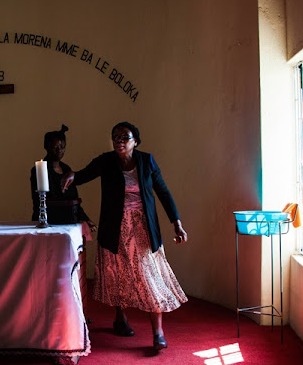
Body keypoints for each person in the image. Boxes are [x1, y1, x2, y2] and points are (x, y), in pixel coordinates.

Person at [62, 121, 188, 352]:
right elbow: (83, 174)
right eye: (115, 137)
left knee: (150, 278)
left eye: (124, 137)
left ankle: (158, 332)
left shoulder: (147, 160)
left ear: (135, 141)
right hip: (115, 228)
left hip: (142, 228)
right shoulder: (106, 161)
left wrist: (176, 223)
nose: (119, 140)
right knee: (117, 273)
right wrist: (71, 175)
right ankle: (120, 318)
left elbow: (162, 191)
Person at [29, 124, 95, 230]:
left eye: (62, 146)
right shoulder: (39, 170)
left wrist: (84, 218)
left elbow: (73, 199)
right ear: (46, 146)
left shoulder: (66, 169)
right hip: (48, 222)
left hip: (68, 222)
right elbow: (39, 201)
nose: (59, 150)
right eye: (55, 147)